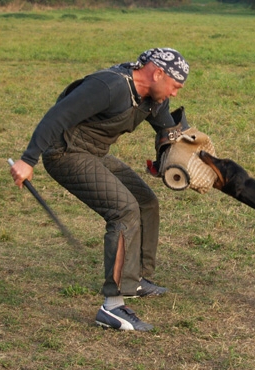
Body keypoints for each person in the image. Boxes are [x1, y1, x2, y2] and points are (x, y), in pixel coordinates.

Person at [10, 48, 190, 331]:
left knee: (145, 202)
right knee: (123, 210)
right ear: (157, 73)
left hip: (94, 152)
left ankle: (135, 281)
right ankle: (112, 307)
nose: (175, 94)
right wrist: (27, 160)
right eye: (175, 86)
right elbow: (58, 116)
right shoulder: (109, 86)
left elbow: (169, 132)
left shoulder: (154, 99)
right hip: (65, 153)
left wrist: (177, 162)